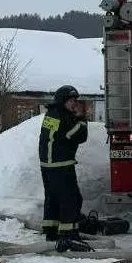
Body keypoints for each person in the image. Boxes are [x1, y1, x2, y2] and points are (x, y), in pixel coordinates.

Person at [38, 85, 92, 252]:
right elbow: (76, 135)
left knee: (53, 199)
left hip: (49, 166)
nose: (75, 103)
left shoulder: (52, 114)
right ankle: (69, 235)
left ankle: (51, 231)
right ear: (63, 101)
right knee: (71, 199)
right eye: (71, 100)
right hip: (61, 165)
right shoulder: (61, 116)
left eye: (76, 100)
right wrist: (82, 119)